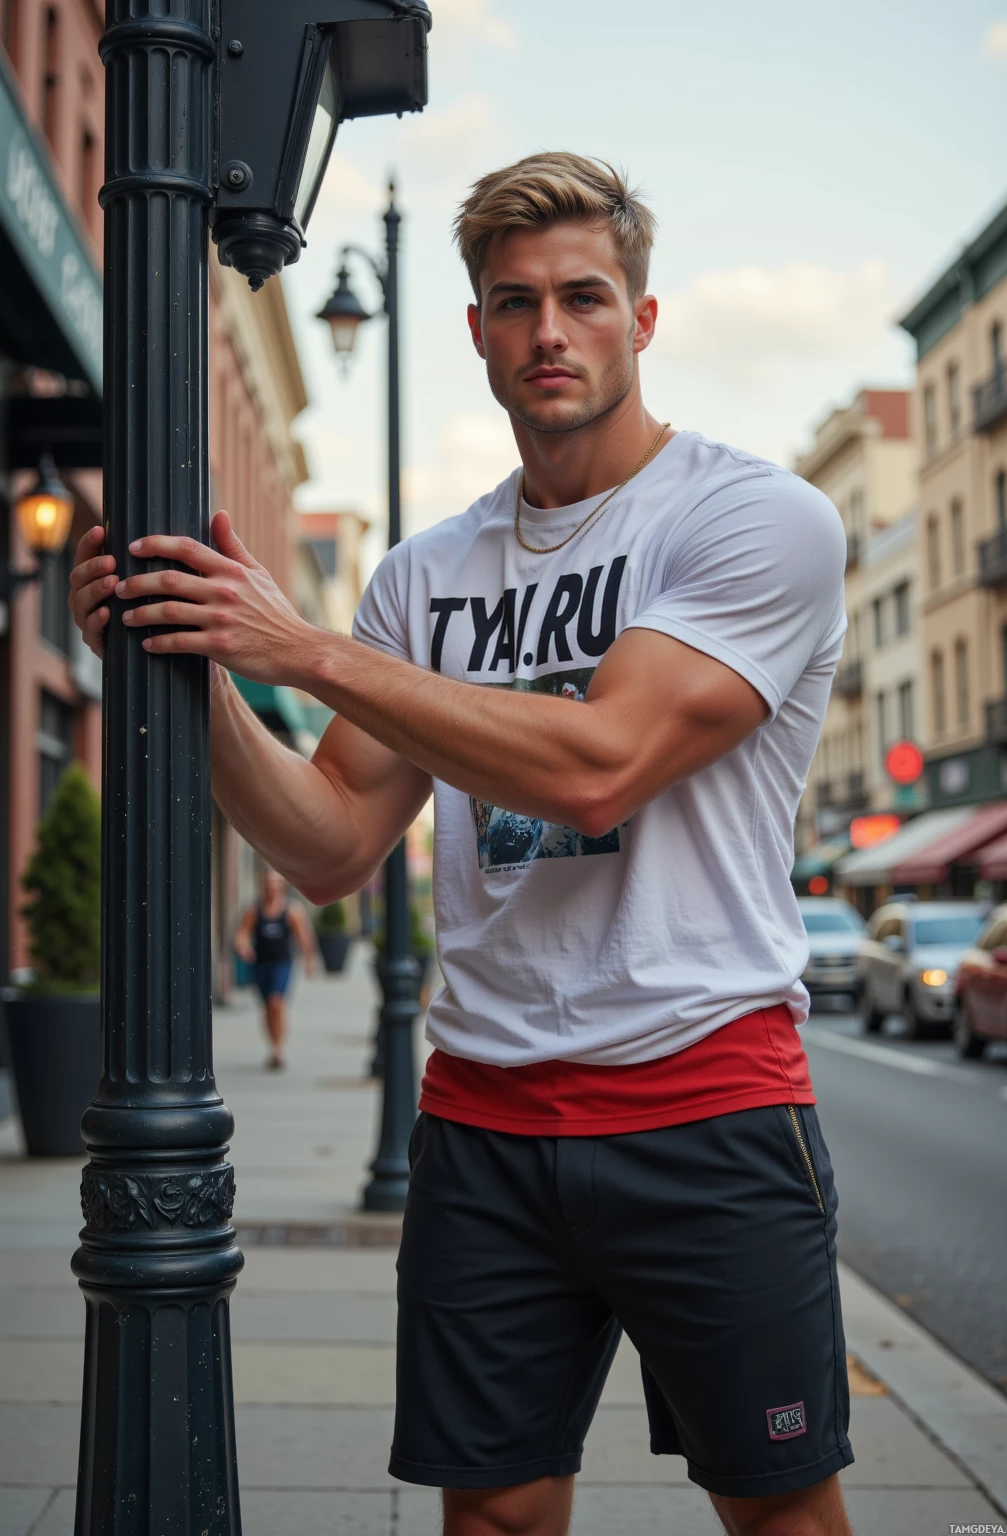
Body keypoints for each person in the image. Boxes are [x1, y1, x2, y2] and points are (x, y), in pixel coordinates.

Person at [70, 153, 853, 1536]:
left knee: (777, 1509)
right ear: (479, 330)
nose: (550, 331)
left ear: (643, 319)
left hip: (707, 1099)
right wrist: (196, 672)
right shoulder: (424, 576)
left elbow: (603, 767)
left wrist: (304, 649)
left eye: (583, 297)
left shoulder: (754, 520)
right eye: (513, 303)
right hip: (485, 1118)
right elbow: (326, 847)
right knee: (490, 1514)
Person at [233, 869, 316, 1070]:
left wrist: (309, 961)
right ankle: (272, 1044)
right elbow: (241, 935)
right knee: (267, 1007)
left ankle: (278, 1050)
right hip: (260, 965)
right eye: (267, 885)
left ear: (281, 887)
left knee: (276, 1002)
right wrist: (244, 948)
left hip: (282, 964)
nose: (271, 889)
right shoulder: (254, 910)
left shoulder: (291, 910)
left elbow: (304, 937)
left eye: (274, 885)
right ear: (263, 887)